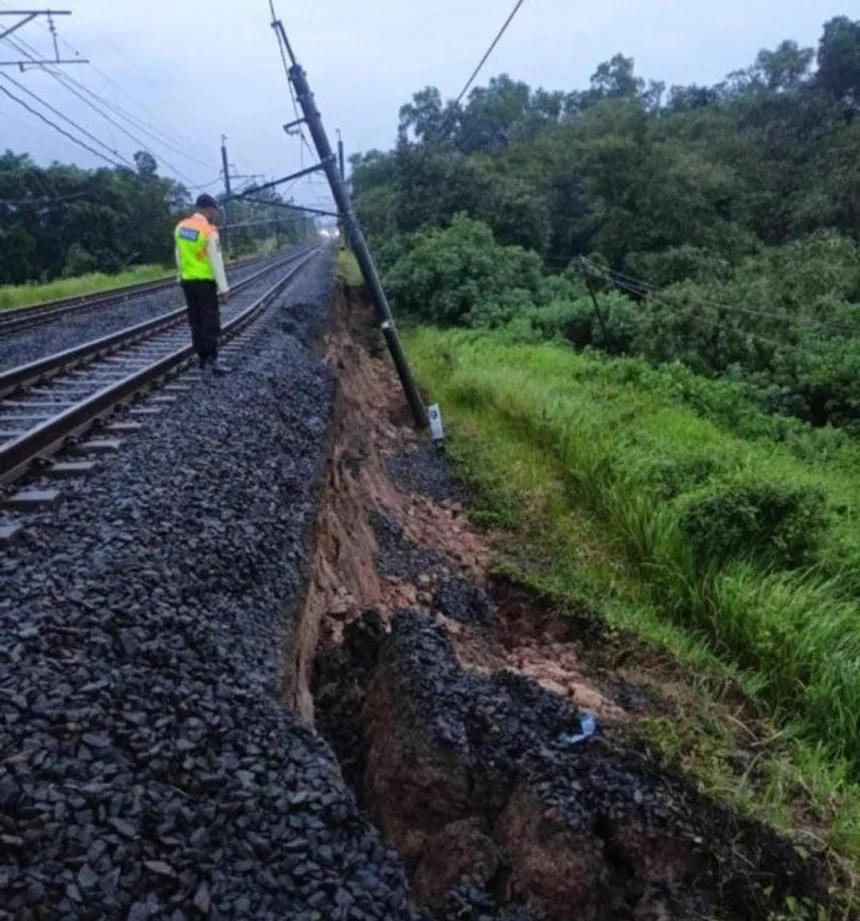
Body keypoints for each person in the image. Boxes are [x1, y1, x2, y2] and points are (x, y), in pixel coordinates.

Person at [174, 194, 231, 375]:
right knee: (210, 321)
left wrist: (180, 275)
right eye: (213, 210)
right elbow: (216, 260)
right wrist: (224, 288)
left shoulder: (181, 228)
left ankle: (202, 359)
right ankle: (213, 359)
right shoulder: (208, 230)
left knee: (196, 321)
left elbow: (179, 255)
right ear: (208, 209)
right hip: (205, 282)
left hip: (187, 282)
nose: (214, 214)